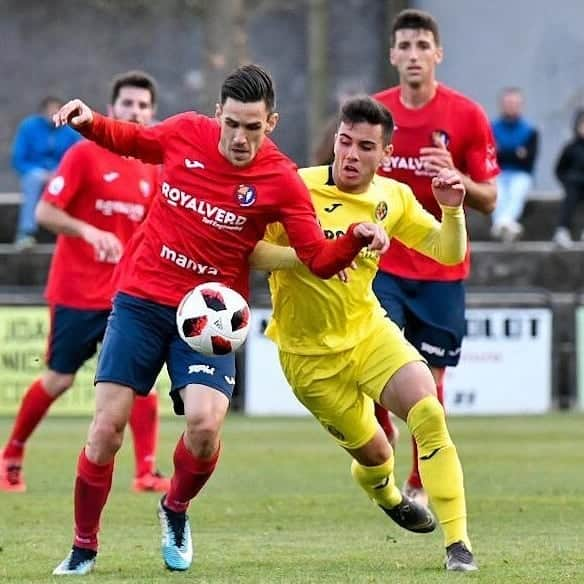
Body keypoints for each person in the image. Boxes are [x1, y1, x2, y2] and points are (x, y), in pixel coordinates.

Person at [50, 64, 388, 576]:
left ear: (270, 122)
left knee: (205, 427)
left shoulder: (280, 179)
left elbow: (317, 257)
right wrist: (88, 120)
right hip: (142, 297)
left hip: (209, 315)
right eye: (231, 123)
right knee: (106, 431)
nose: (238, 137)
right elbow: (134, 140)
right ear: (217, 115)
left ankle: (175, 508)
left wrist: (355, 239)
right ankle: (83, 547)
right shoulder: (186, 131)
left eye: (252, 127)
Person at [259, 95, 477, 571]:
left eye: (364, 146)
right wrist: (311, 257)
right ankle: (388, 494)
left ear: (385, 154)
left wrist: (452, 211)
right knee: (377, 453)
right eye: (344, 142)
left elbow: (446, 251)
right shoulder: (295, 187)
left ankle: (458, 545)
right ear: (334, 141)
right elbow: (251, 251)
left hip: (368, 333)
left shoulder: (392, 197)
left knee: (428, 412)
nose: (351, 154)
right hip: (308, 357)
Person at [0, 71, 170, 496]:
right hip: (77, 291)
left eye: (143, 106)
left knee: (140, 381)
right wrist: (88, 231)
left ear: (152, 114)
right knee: (58, 380)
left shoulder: (153, 167)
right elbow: (45, 213)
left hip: (128, 295)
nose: (136, 112)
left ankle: (145, 471)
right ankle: (11, 457)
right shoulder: (83, 155)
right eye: (128, 104)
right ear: (111, 109)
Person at [372, 9, 499, 506]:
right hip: (385, 265)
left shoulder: (466, 116)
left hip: (443, 270)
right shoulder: (375, 114)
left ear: (437, 54)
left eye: (422, 46)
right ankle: (383, 433)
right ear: (392, 55)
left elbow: (489, 198)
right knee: (378, 364)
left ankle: (421, 482)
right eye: (404, 46)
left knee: (432, 379)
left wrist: (457, 179)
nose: (413, 55)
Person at [11, 96, 81, 249]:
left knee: (68, 185)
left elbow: (78, 156)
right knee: (33, 181)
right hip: (35, 172)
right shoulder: (28, 127)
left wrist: (59, 172)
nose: (53, 113)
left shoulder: (70, 131)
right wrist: (38, 172)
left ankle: (67, 234)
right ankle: (26, 233)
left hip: (60, 173)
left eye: (56, 110)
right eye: (50, 110)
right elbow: (18, 158)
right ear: (42, 112)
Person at [491, 87, 539, 242]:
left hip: (521, 174)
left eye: (514, 103)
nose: (511, 106)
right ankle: (507, 224)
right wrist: (517, 153)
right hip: (497, 173)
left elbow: (528, 160)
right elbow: (490, 156)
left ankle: (500, 224)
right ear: (501, 104)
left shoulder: (530, 130)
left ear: (521, 105)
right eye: (508, 102)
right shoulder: (491, 128)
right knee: (497, 193)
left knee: (518, 191)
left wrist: (503, 152)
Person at [552, 109, 584, 248]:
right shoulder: (570, 147)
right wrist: (566, 182)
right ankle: (562, 230)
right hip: (573, 185)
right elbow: (559, 169)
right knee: (569, 201)